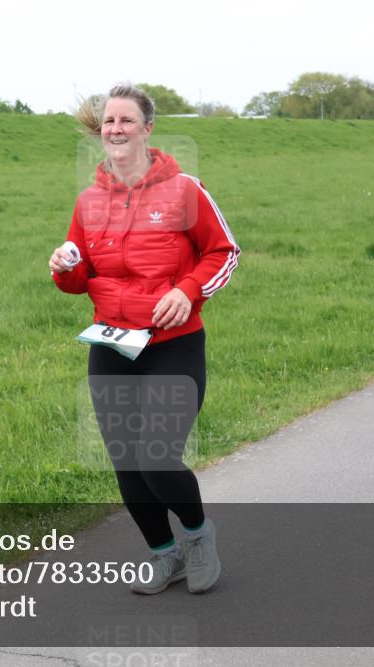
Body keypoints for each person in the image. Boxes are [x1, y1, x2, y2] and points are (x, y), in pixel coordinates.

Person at [49, 84, 240, 594]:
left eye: (126, 121)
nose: (115, 129)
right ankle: (164, 554)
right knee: (127, 463)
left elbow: (224, 253)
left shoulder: (184, 189)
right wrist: (63, 267)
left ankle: (199, 536)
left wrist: (188, 289)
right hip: (111, 345)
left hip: (172, 345)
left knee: (156, 457)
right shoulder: (88, 200)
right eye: (109, 121)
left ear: (148, 129)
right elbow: (78, 273)